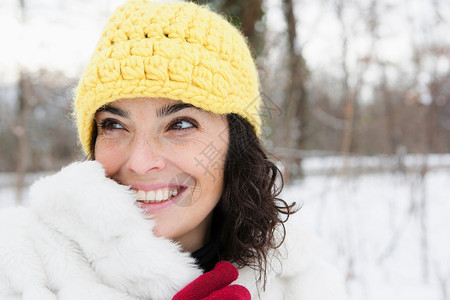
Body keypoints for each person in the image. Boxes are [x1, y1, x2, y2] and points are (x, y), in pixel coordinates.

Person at [0, 0, 348, 299]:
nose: (140, 162)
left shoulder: (299, 283)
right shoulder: (21, 268)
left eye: (180, 125)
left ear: (237, 143)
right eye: (115, 125)